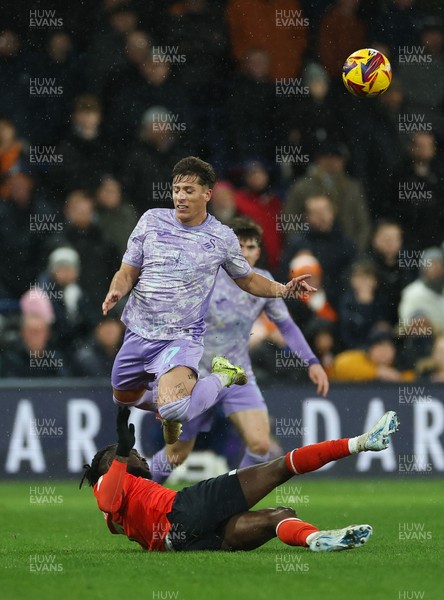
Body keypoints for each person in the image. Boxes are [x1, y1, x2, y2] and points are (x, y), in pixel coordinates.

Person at [102, 157, 315, 445]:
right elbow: (127, 272)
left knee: (175, 408)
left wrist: (283, 289)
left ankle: (220, 377)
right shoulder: (150, 220)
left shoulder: (221, 237)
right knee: (122, 396)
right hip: (139, 331)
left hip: (181, 337)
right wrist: (117, 290)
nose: (180, 196)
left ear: (207, 194)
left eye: (189, 190)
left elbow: (248, 279)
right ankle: (168, 403)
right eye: (176, 189)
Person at [149, 217, 329, 482]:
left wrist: (312, 361)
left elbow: (287, 326)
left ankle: (230, 499)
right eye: (240, 246)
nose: (245, 252)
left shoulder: (265, 283)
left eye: (252, 247)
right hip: (196, 375)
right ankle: (133, 499)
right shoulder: (204, 277)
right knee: (177, 454)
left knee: (261, 445)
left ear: (259, 251)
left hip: (237, 375)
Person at [80, 406, 400, 553]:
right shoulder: (110, 484)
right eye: (132, 454)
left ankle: (316, 540)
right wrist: (122, 452)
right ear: (113, 464)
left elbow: (112, 511)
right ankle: (362, 442)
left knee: (281, 516)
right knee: (279, 468)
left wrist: (122, 456)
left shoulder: (114, 515)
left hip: (179, 542)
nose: (140, 457)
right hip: (183, 509)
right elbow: (108, 496)